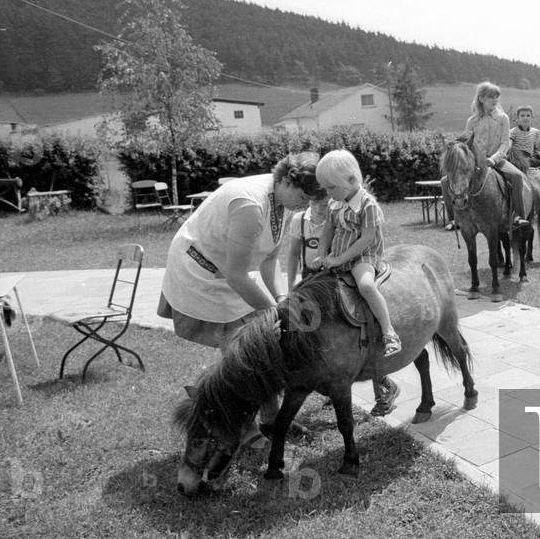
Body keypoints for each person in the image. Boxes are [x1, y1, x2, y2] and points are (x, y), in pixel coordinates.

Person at [158, 152, 324, 439]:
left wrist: (280, 300)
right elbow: (236, 275)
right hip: (201, 273)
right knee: (243, 350)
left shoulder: (283, 203)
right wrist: (275, 313)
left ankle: (271, 420)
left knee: (263, 344)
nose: (305, 205)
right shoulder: (249, 205)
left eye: (311, 200)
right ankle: (246, 430)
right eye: (303, 196)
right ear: (285, 180)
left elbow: (269, 260)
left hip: (230, 275)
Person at [289, 189, 400, 417]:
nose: (321, 205)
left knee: (348, 329)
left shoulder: (340, 208)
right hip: (311, 278)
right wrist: (291, 284)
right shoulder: (301, 220)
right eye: (316, 200)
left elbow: (357, 239)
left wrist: (332, 259)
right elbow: (292, 254)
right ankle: (321, 380)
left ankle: (380, 381)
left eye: (324, 200)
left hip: (335, 275)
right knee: (303, 332)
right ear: (309, 200)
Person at [313, 149, 401, 358]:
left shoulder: (367, 204)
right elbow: (328, 230)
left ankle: (389, 332)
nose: (328, 193)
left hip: (363, 256)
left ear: (352, 180)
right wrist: (321, 253)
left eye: (331, 187)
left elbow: (367, 239)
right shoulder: (335, 203)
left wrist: (340, 259)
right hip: (338, 255)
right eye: (325, 188)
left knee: (366, 286)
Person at [444, 82, 530, 231]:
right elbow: (464, 142)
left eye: (497, 97)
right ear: (482, 98)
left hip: (497, 160)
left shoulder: (503, 118)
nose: (495, 100)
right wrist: (452, 144)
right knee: (445, 181)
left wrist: (494, 159)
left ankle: (518, 216)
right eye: (491, 97)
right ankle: (453, 218)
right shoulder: (472, 121)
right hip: (476, 163)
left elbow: (505, 143)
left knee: (517, 177)